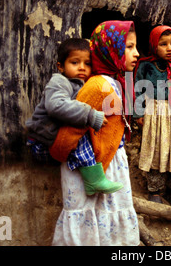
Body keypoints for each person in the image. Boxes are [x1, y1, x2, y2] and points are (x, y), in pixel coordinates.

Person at [49, 20, 140, 246]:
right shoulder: (97, 85)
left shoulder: (115, 81)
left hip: (110, 161)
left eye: (135, 47)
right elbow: (72, 128)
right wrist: (60, 153)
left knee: (106, 212)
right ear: (111, 49)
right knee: (83, 213)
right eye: (128, 47)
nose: (136, 54)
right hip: (87, 166)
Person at [25, 38, 123, 195]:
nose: (82, 68)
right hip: (41, 142)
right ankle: (94, 180)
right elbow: (56, 106)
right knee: (80, 129)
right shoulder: (59, 81)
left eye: (87, 63)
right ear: (61, 66)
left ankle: (92, 177)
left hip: (55, 141)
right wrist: (90, 115)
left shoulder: (85, 84)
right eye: (75, 62)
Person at [134, 25, 171, 205]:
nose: (169, 48)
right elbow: (138, 89)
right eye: (163, 44)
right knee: (156, 149)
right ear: (154, 45)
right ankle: (154, 190)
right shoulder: (145, 65)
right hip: (155, 112)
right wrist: (138, 113)